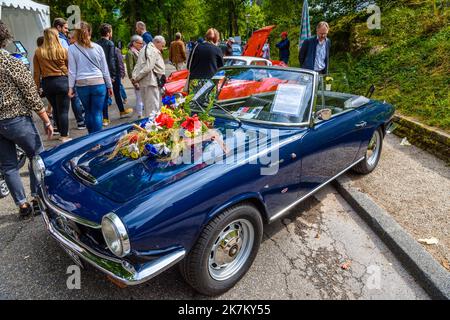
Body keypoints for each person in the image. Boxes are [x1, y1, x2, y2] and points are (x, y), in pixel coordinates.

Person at [0, 20, 54, 218]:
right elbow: (30, 93)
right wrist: (46, 119)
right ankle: (36, 198)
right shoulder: (10, 62)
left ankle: (22, 205)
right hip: (16, 119)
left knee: (8, 165)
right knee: (36, 156)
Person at [68, 21, 113, 133]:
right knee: (97, 112)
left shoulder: (72, 49)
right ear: (90, 32)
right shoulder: (97, 47)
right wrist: (109, 85)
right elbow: (104, 69)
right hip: (98, 83)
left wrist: (70, 87)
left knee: (88, 111)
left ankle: (91, 139)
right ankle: (97, 142)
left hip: (81, 83)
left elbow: (72, 71)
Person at [33, 28, 71, 143]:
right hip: (62, 81)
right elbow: (70, 67)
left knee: (55, 108)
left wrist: (37, 87)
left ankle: (60, 131)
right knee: (63, 110)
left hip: (47, 83)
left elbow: (36, 72)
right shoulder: (63, 50)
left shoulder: (38, 52)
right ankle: (64, 135)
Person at [97, 23, 132, 126]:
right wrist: (112, 75)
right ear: (108, 33)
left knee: (104, 96)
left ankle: (105, 118)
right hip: (111, 72)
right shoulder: (110, 44)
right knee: (116, 92)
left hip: (100, 72)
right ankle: (121, 111)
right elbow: (111, 59)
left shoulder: (96, 43)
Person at [132, 36, 166, 117]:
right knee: (153, 109)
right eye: (162, 45)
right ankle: (152, 128)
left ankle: (149, 126)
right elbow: (148, 67)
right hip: (151, 82)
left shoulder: (143, 49)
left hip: (146, 82)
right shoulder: (153, 50)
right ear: (157, 42)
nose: (162, 48)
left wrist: (134, 77)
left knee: (148, 108)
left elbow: (137, 65)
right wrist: (136, 78)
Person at [187, 28, 224, 93]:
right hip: (210, 83)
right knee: (208, 103)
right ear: (216, 38)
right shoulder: (217, 50)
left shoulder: (196, 47)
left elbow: (188, 66)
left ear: (206, 37)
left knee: (194, 102)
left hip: (195, 81)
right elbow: (221, 69)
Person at [67, 30, 86, 130]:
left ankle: (81, 121)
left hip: (76, 78)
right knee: (77, 100)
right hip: (84, 79)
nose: (69, 40)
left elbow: (71, 69)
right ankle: (82, 121)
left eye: (70, 38)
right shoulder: (86, 47)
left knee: (76, 100)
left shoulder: (71, 48)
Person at [126, 35, 145, 118]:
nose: (141, 45)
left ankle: (141, 115)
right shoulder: (130, 53)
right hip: (137, 79)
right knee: (139, 98)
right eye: (140, 43)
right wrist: (134, 82)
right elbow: (130, 69)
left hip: (141, 78)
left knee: (142, 98)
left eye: (142, 43)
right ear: (134, 43)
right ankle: (139, 116)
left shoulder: (138, 51)